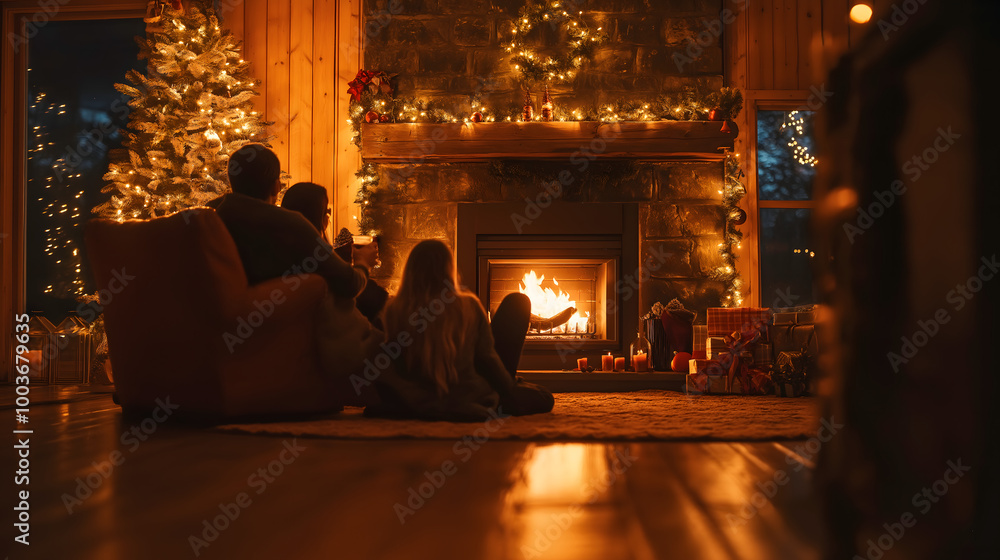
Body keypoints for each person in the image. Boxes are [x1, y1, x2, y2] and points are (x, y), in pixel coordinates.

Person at [206, 144, 381, 405]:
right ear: (276, 186)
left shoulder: (210, 217)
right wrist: (364, 263)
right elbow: (349, 284)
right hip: (282, 329)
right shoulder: (289, 223)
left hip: (224, 334)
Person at [369, 239, 554, 421]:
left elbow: (389, 364)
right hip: (469, 395)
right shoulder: (468, 305)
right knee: (544, 396)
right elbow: (487, 358)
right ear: (449, 269)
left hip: (415, 398)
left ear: (410, 271)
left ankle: (428, 407)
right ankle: (461, 405)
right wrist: (510, 388)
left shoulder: (393, 309)